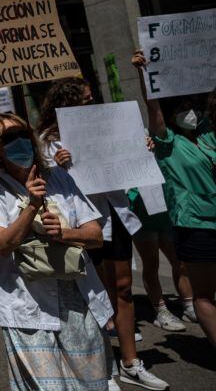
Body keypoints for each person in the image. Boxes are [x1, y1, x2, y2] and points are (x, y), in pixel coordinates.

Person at [37, 78, 168, 390]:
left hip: (115, 212)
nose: (91, 100)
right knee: (91, 294)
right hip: (82, 221)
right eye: (85, 97)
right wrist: (57, 166)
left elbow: (125, 157)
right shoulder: (47, 140)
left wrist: (141, 148)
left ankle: (131, 362)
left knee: (122, 288)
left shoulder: (108, 126)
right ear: (68, 102)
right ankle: (101, 366)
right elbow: (40, 178)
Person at [0, 112, 113, 391]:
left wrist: (64, 233)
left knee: (91, 387)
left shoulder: (59, 178)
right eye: (8, 138)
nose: (19, 142)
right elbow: (0, 244)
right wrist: (32, 206)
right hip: (27, 308)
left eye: (23, 134)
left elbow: (96, 235)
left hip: (78, 301)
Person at [133, 51, 216, 346]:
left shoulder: (208, 136)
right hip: (195, 224)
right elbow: (152, 107)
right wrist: (146, 75)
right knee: (202, 292)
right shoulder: (168, 143)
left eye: (191, 105)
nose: (189, 111)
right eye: (182, 107)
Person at [128, 186, 191, 331]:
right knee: (151, 263)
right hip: (141, 215)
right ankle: (160, 310)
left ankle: (189, 305)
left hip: (165, 215)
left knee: (179, 261)